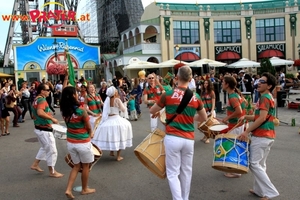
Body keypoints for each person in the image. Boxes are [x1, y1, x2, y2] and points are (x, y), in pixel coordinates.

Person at [150, 65, 207, 200]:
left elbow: (152, 110)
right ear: (191, 78)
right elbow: (204, 118)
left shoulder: (168, 94)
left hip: (172, 138)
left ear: (177, 77)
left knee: (172, 173)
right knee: (186, 172)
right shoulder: (196, 97)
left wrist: (160, 111)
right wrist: (189, 118)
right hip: (189, 139)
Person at [237, 72, 279, 200]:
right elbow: (261, 116)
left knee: (254, 164)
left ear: (269, 85)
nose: (258, 83)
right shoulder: (268, 96)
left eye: (262, 82)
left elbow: (261, 119)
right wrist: (246, 117)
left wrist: (246, 131)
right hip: (268, 135)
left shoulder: (264, 97)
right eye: (259, 81)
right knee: (260, 164)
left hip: (262, 135)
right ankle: (259, 189)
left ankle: (270, 192)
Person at [60, 86, 96, 199]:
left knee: (76, 166)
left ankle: (68, 189)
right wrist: (91, 133)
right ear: (73, 96)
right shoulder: (81, 111)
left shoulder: (64, 111)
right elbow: (89, 127)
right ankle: (84, 189)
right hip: (83, 142)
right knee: (86, 166)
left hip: (71, 142)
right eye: (76, 93)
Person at [30, 83, 63, 178]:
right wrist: (52, 119)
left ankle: (35, 164)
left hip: (39, 128)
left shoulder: (35, 100)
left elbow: (34, 115)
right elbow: (40, 112)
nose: (49, 92)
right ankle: (52, 171)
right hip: (44, 129)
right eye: (48, 90)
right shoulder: (42, 100)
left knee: (44, 148)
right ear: (42, 91)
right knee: (52, 150)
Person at [92, 86, 133, 161]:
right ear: (114, 92)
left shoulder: (107, 100)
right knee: (119, 136)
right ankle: (118, 156)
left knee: (112, 136)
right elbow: (123, 110)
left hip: (109, 119)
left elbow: (106, 110)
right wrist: (125, 103)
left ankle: (111, 151)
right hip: (116, 118)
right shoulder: (117, 99)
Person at [221, 76, 246, 178]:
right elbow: (245, 103)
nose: (222, 84)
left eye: (223, 82)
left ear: (227, 84)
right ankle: (237, 168)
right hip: (239, 124)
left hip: (235, 125)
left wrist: (228, 117)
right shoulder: (235, 94)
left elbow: (239, 111)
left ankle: (236, 171)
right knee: (236, 146)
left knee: (232, 147)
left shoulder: (232, 96)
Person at [200, 79, 216, 144]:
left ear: (209, 84)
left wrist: (212, 110)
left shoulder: (211, 92)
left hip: (209, 111)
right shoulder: (202, 92)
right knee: (203, 125)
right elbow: (201, 102)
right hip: (204, 111)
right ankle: (205, 135)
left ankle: (207, 138)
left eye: (206, 83)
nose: (205, 85)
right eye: (204, 83)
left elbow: (213, 102)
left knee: (208, 125)